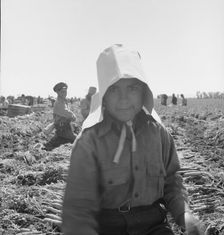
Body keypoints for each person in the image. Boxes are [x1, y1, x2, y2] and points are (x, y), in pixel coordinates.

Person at [62, 45, 204, 235]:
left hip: (154, 226)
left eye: (132, 88)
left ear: (143, 90)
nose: (124, 99)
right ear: (103, 95)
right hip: (106, 228)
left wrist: (183, 214)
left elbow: (172, 182)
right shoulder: (89, 142)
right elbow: (78, 209)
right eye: (113, 90)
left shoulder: (159, 134)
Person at [43, 82, 77, 151]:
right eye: (62, 92)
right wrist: (73, 116)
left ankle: (54, 142)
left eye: (65, 91)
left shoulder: (62, 101)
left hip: (64, 128)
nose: (64, 93)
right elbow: (66, 112)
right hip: (63, 129)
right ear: (58, 92)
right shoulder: (59, 102)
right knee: (78, 140)